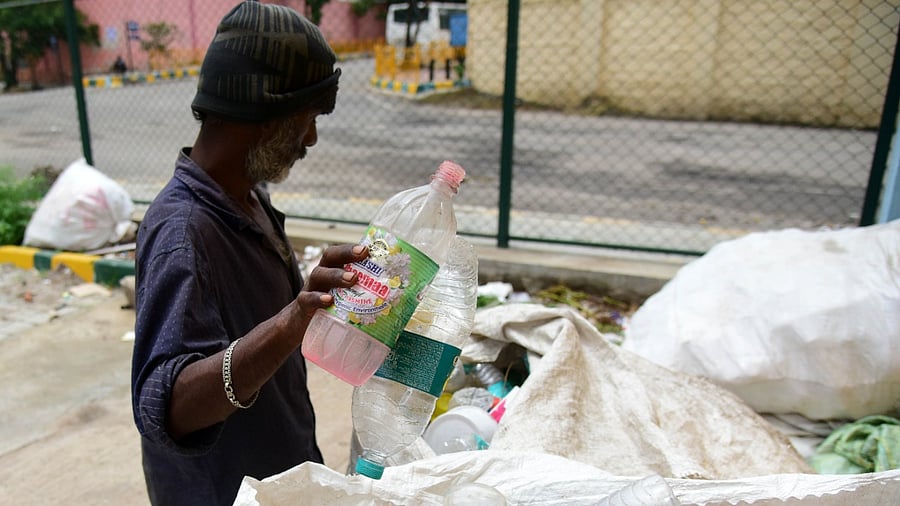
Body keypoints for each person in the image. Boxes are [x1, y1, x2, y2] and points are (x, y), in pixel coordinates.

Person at [131, 2, 367, 504]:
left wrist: (318, 311)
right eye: (307, 119)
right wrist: (289, 323)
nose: (311, 138)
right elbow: (169, 407)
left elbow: (272, 336)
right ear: (264, 115)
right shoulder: (183, 232)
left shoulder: (249, 200)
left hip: (280, 474)